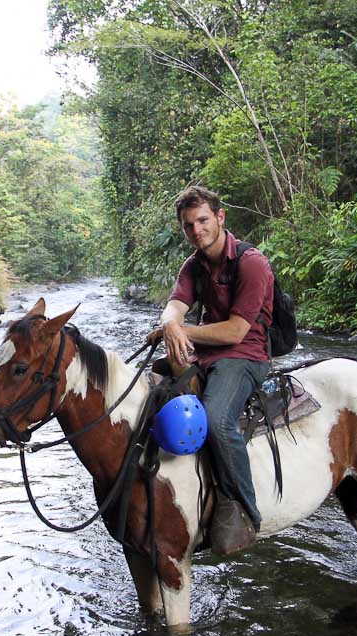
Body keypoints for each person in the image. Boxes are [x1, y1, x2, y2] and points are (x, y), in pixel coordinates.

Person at [149, 186, 274, 555]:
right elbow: (175, 305)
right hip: (206, 354)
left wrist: (181, 331)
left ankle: (245, 509)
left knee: (216, 419)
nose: (196, 230)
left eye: (203, 220)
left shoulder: (251, 263)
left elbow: (236, 331)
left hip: (245, 355)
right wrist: (169, 324)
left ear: (220, 218)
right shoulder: (194, 265)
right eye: (188, 225)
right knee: (150, 391)